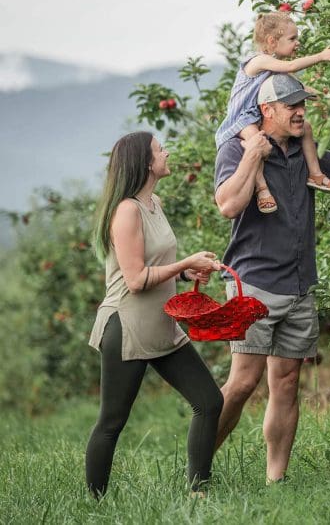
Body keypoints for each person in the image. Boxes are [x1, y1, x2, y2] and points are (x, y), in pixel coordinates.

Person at [213, 73, 330, 483]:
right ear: (267, 110)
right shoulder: (236, 147)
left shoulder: (304, 150)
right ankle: (199, 465)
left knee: (287, 380)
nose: (300, 113)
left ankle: (275, 481)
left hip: (299, 282)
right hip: (254, 281)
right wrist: (253, 157)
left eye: (303, 105)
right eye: (292, 106)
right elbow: (227, 205)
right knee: (243, 381)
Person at [85, 131, 224, 497]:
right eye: (160, 149)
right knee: (112, 422)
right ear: (146, 163)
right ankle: (94, 503)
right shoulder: (127, 209)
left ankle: (199, 493)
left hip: (162, 323)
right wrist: (186, 261)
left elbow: (154, 263)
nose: (166, 152)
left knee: (209, 401)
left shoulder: (153, 203)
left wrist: (185, 272)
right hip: (127, 326)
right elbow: (135, 279)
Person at [215, 11, 330, 214]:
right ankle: (262, 189)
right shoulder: (258, 61)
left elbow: (301, 88)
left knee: (307, 128)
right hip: (241, 119)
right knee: (256, 144)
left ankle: (316, 175)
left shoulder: (276, 68)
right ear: (272, 41)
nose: (297, 43)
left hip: (258, 116)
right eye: (292, 38)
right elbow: (291, 65)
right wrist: (321, 56)